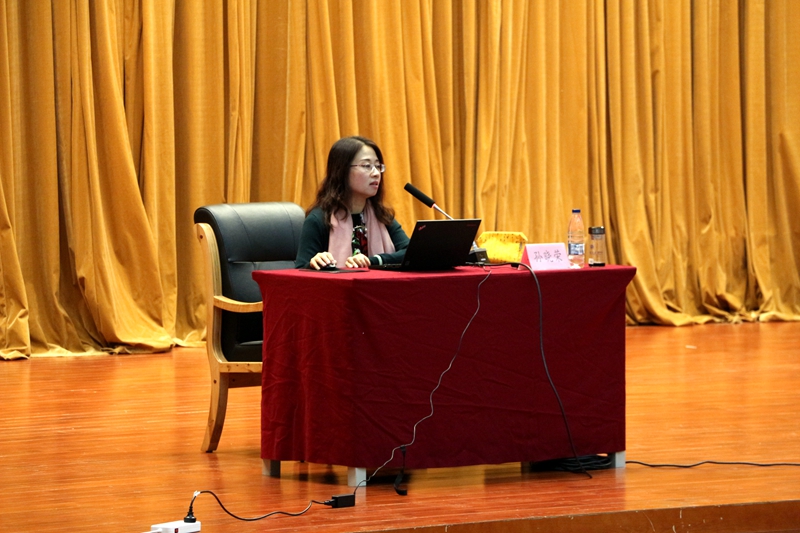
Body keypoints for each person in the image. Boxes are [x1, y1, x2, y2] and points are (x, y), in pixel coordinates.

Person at [295, 136, 409, 269]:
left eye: (378, 166)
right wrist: (314, 264)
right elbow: (299, 271)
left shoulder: (381, 216)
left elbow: (411, 252)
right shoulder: (319, 219)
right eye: (367, 166)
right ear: (342, 171)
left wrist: (374, 261)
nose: (376, 173)